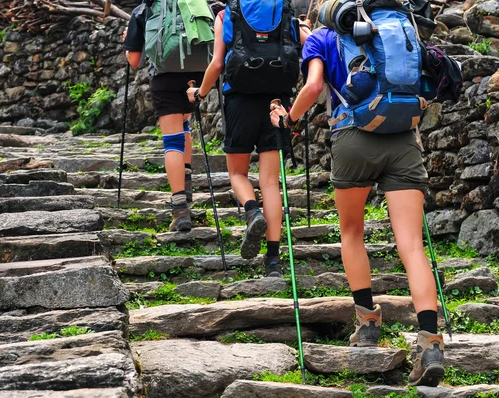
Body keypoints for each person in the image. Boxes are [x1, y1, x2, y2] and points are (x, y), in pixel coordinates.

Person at [269, 25, 445, 386]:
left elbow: (315, 87)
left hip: (352, 138)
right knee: (412, 245)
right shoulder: (396, 25)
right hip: (403, 138)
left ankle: (367, 324)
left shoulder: (322, 37)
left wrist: (289, 118)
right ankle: (430, 342)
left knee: (352, 232)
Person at [186, 2, 304, 278]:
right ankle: (273, 262)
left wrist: (199, 95)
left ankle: (252, 211)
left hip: (239, 101)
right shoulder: (284, 9)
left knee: (238, 172)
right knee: (271, 183)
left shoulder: (228, 14)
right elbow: (304, 45)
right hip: (277, 102)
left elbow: (217, 64)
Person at [123, 2, 204, 232]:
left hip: (165, 76)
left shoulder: (145, 8)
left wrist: (126, 43)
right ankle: (186, 181)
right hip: (198, 75)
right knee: (184, 121)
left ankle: (180, 208)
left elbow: (135, 60)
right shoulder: (197, 2)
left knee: (172, 140)